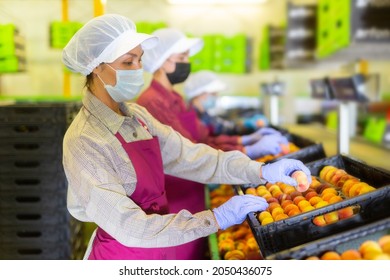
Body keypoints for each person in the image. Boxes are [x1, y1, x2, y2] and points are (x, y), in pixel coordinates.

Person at [61, 14, 312, 260]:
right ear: (97, 67)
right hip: (123, 257)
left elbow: (191, 156)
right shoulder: (85, 141)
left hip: (164, 245)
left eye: (140, 60)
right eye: (128, 62)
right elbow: (130, 227)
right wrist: (215, 219)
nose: (139, 69)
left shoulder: (137, 116)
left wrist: (260, 171)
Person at [137, 28, 289, 259]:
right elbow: (184, 155)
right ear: (161, 62)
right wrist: (246, 153)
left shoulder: (175, 99)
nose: (187, 63)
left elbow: (203, 140)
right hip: (177, 194)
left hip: (195, 185)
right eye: (181, 58)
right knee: (180, 255)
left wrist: (244, 143)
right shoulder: (152, 102)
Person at [184, 70, 269, 136]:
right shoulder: (193, 117)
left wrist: (245, 123)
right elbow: (223, 129)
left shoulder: (203, 114)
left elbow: (222, 126)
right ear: (202, 94)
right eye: (214, 94)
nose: (216, 97)